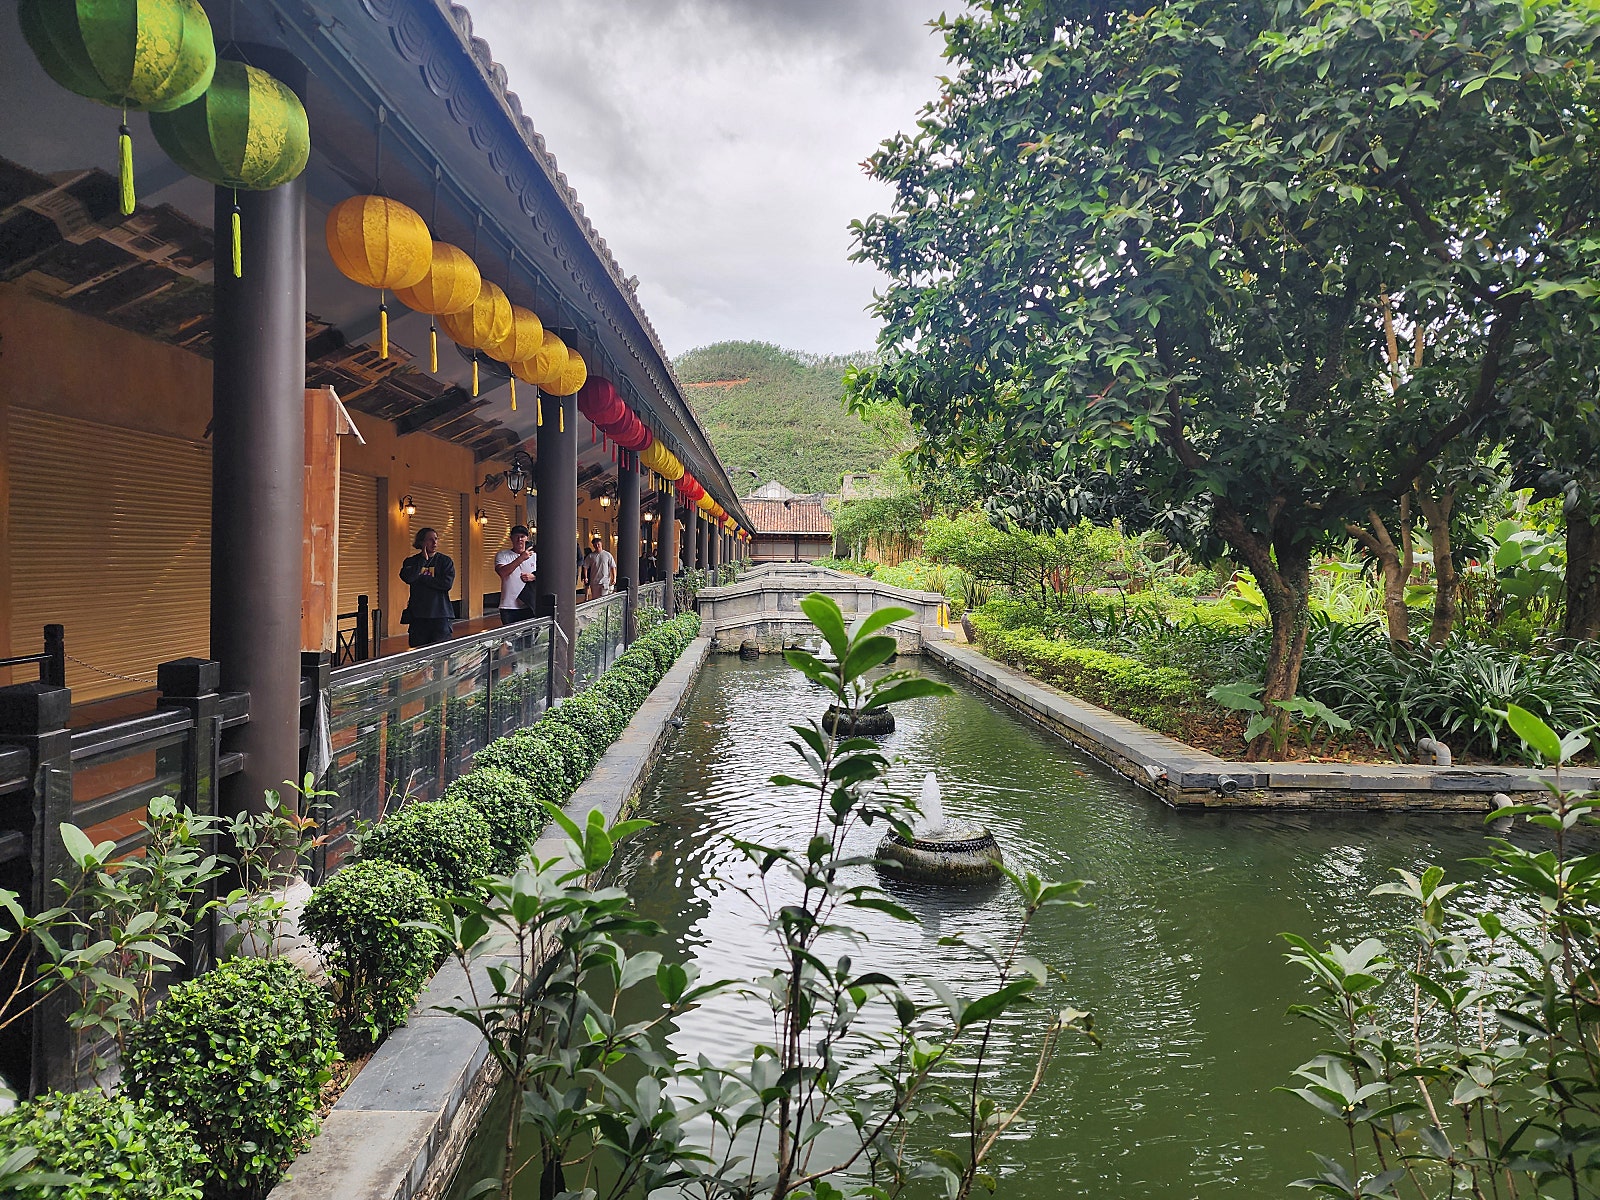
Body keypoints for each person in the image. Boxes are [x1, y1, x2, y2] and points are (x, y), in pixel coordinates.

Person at [399, 527, 456, 648]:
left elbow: (446, 584)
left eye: (436, 539)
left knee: (441, 652)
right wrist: (422, 560)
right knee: (418, 651)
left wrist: (422, 578)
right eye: (430, 540)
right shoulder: (411, 561)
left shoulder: (445, 561)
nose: (434, 542)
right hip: (418, 616)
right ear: (421, 542)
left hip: (440, 614)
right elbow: (409, 578)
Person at [494, 525, 537, 625]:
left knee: (529, 634)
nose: (519, 539)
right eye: (516, 536)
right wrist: (521, 558)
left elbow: (545, 576)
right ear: (511, 538)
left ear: (527, 538)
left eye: (522, 536)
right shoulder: (502, 555)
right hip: (509, 606)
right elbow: (503, 573)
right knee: (510, 634)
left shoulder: (535, 556)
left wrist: (534, 577)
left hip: (529, 604)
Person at [581, 534, 616, 601]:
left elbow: (613, 567)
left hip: (605, 581)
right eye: (595, 545)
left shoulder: (607, 555)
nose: (597, 546)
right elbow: (585, 566)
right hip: (594, 581)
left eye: (598, 544)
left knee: (604, 598)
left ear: (601, 544)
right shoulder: (590, 556)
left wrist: (614, 578)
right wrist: (585, 577)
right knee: (596, 599)